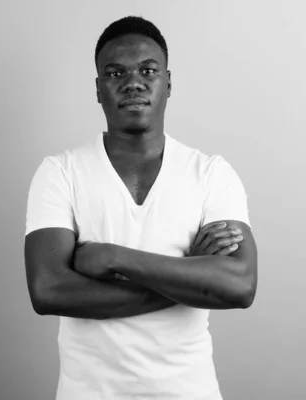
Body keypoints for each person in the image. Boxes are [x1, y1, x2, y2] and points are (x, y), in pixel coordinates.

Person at [23, 16, 257, 400]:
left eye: (148, 70)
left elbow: (241, 286)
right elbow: (48, 291)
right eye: (115, 72)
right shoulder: (60, 172)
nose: (133, 81)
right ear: (99, 89)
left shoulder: (212, 173)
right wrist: (189, 275)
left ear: (168, 82)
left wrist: (114, 257)